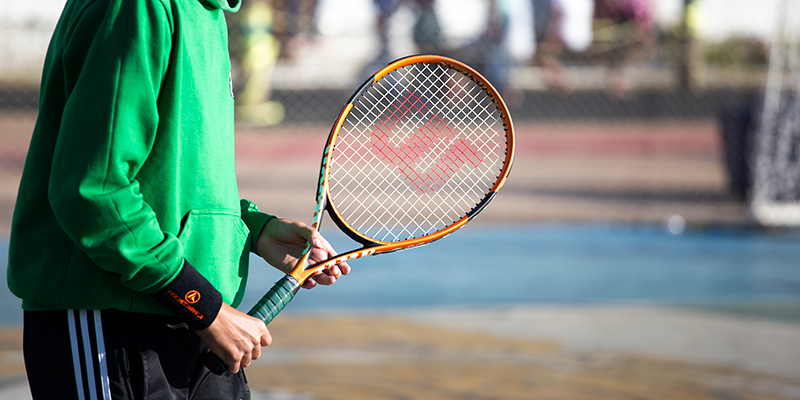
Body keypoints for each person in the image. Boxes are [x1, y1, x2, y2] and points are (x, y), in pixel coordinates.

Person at [5, 0, 350, 399]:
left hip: (194, 320)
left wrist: (252, 230)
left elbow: (169, 178)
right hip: (109, 324)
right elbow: (94, 191)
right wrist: (205, 307)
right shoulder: (138, 7)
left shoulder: (210, 12)